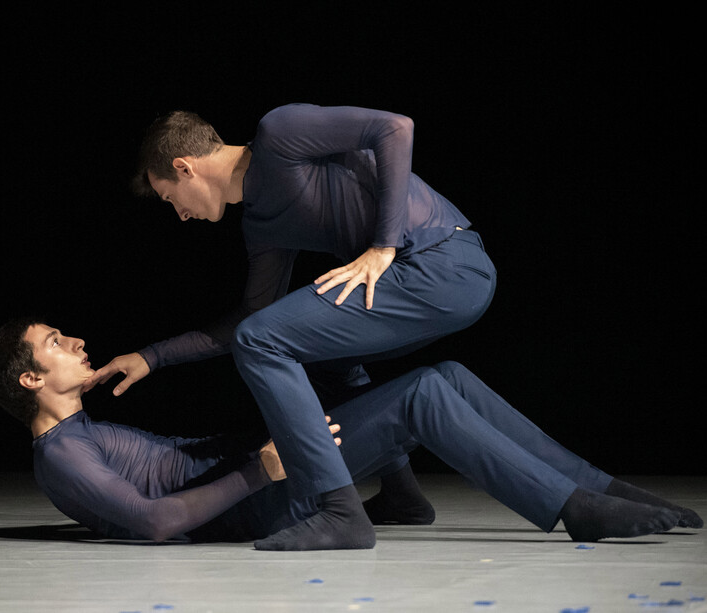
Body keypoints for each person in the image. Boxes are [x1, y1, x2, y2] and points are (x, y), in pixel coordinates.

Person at [88, 104, 499, 550]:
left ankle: (339, 509)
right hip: (418, 272)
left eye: (171, 199)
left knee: (267, 340)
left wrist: (384, 245)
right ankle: (403, 496)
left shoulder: (279, 133)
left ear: (185, 168)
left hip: (440, 259)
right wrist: (151, 357)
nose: (181, 215)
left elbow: (395, 128)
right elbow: (249, 316)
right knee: (316, 356)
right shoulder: (262, 222)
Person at [0, 318, 702, 547]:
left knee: (445, 374)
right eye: (56, 342)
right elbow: (154, 522)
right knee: (423, 393)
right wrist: (263, 468)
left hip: (262, 473)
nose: (76, 340)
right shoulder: (61, 455)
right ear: (31, 379)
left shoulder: (82, 430)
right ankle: (573, 507)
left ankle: (598, 483)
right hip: (264, 496)